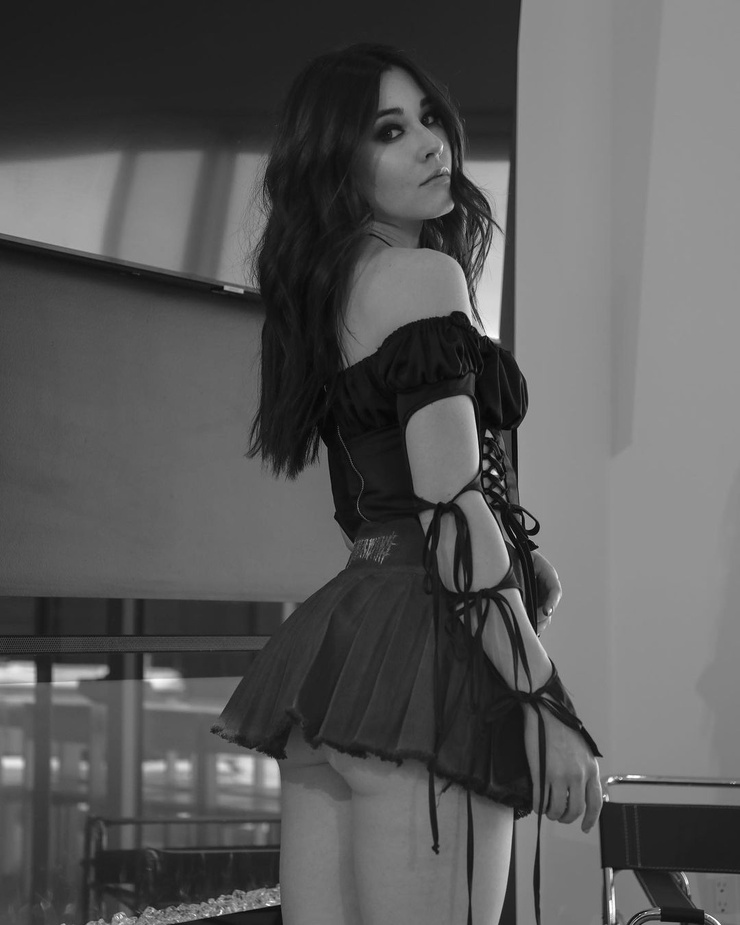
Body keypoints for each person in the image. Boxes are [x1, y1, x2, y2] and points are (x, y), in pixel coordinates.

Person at [212, 43, 602, 925]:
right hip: (427, 664)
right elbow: (450, 509)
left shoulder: (331, 292)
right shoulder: (425, 276)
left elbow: (386, 503)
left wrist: (522, 563)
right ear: (338, 164)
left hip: (345, 657)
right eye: (390, 131)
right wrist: (542, 701)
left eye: (430, 118)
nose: (432, 144)